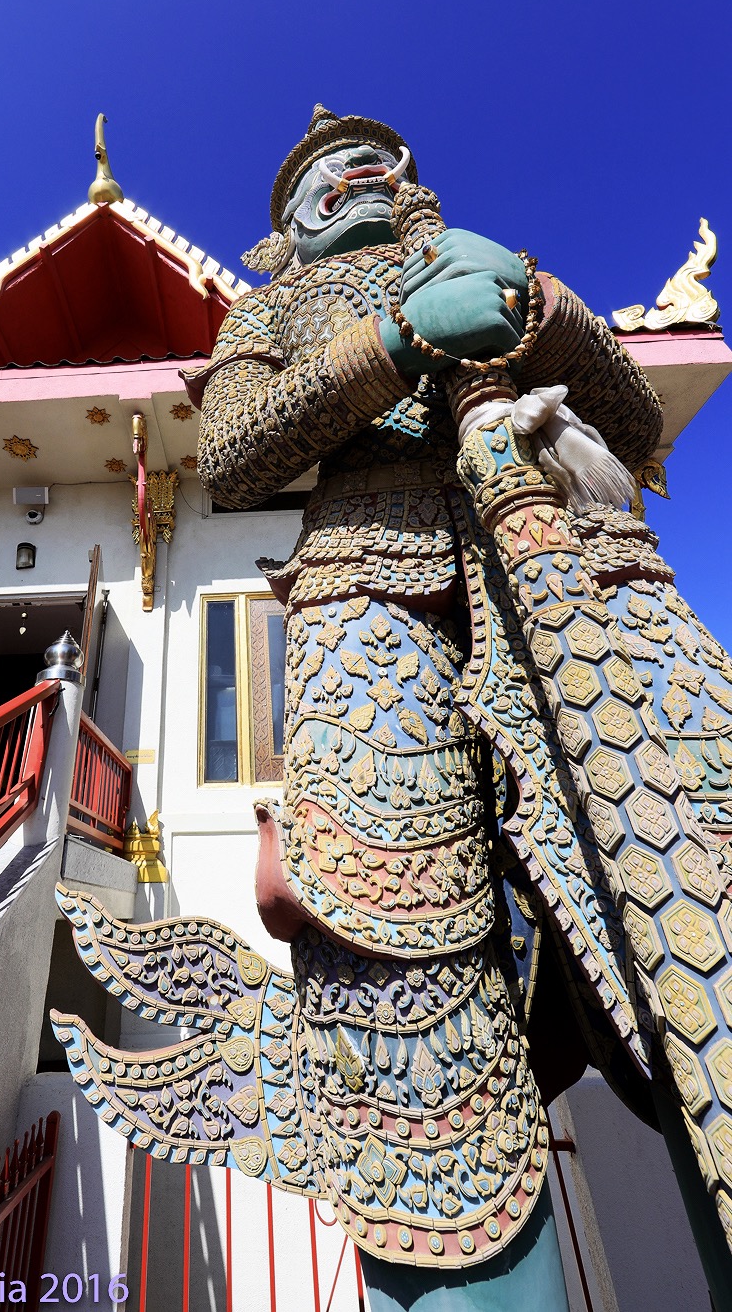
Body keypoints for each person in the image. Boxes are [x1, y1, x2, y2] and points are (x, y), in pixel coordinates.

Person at [54, 108, 732, 1310]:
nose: (357, 169)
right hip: (370, 603)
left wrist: (532, 304)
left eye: (377, 158)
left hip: (559, 561)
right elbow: (242, 450)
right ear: (285, 225)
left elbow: (631, 421)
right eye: (323, 170)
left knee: (678, 879)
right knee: (400, 958)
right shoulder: (270, 309)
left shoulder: (481, 258)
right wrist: (398, 338)